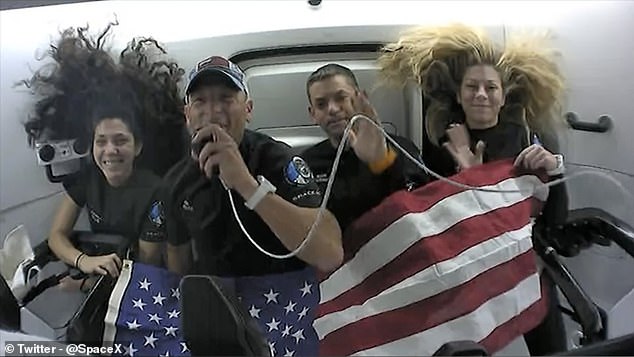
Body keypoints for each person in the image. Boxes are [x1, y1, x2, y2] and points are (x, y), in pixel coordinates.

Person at [377, 24, 569, 355]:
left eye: (490, 87)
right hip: (471, 276)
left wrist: (555, 170)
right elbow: (441, 225)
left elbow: (556, 220)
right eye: (472, 86)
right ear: (459, 94)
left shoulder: (528, 139)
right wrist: (467, 177)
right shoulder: (442, 145)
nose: (481, 94)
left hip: (526, 265)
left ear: (503, 96)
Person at [164, 55, 343, 356]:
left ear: (248, 109)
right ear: (187, 115)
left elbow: (329, 253)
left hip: (281, 311)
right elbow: (178, 269)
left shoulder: (277, 160)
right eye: (200, 102)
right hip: (220, 315)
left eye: (225, 98)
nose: (213, 111)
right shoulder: (175, 183)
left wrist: (248, 186)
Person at [21, 24, 187, 283]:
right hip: (103, 276)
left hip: (139, 285)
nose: (110, 150)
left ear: (138, 146)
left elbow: (147, 262)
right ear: (92, 146)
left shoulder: (156, 191)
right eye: (102, 141)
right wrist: (83, 261)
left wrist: (84, 285)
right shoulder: (88, 180)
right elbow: (57, 235)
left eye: (120, 140)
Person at [302, 63, 429, 233]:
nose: (332, 109)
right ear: (313, 114)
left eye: (341, 98)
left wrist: (381, 162)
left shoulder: (401, 148)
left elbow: (420, 207)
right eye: (321, 104)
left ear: (359, 98)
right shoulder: (306, 164)